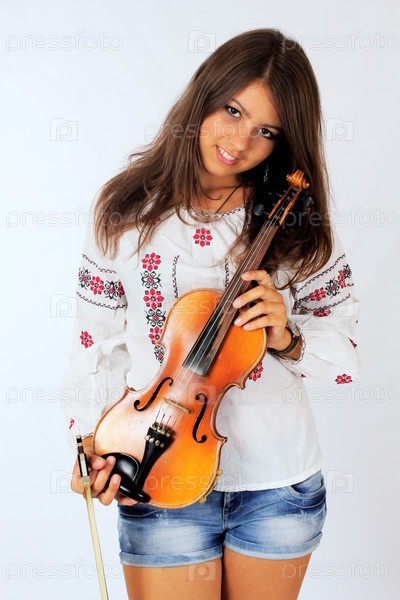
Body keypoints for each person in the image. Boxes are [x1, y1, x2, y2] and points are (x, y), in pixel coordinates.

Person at [61, 28, 362, 600]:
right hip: (156, 470)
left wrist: (287, 337)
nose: (239, 141)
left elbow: (346, 355)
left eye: (266, 131)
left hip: (277, 485)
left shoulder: (296, 222)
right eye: (232, 110)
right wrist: (88, 439)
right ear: (204, 96)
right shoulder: (126, 211)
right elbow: (95, 343)